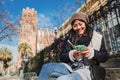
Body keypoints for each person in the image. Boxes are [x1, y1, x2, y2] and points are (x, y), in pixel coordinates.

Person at [37, 12, 108, 80]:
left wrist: (91, 53)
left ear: (85, 23)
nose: (78, 27)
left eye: (80, 24)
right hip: (70, 67)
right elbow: (62, 57)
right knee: (46, 67)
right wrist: (72, 55)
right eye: (75, 26)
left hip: (87, 70)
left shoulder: (96, 37)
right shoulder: (69, 39)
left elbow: (104, 56)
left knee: (62, 79)